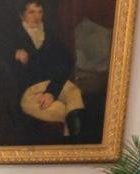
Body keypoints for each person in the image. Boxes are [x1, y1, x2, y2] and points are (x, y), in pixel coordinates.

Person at [9, 1, 86, 140]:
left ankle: (81, 147)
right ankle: (74, 148)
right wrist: (12, 55)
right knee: (61, 110)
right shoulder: (12, 36)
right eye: (31, 12)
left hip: (52, 84)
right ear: (22, 16)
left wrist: (51, 92)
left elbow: (66, 61)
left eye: (40, 12)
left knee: (74, 93)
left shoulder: (50, 35)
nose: (37, 16)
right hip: (29, 91)